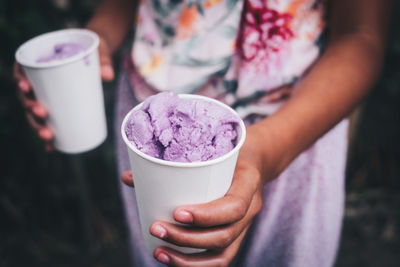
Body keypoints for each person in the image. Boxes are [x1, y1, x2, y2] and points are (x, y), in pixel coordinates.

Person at [14, 0, 392, 266]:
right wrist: (93, 40)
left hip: (295, 127)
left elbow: (362, 35)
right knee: (166, 251)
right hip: (152, 116)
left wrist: (265, 152)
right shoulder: (148, 125)